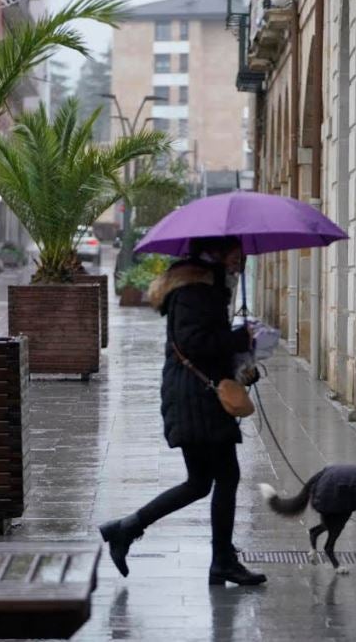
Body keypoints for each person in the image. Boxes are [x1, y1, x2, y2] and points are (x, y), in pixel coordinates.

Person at [99, 235, 267, 586]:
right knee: (223, 477)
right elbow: (196, 343)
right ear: (219, 252)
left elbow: (206, 341)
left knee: (201, 482)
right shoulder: (195, 288)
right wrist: (240, 340)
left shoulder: (205, 284)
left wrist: (242, 355)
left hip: (196, 394)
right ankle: (221, 560)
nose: (241, 261)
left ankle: (126, 528)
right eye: (237, 255)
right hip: (195, 398)